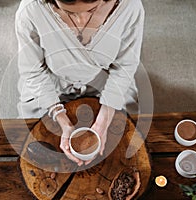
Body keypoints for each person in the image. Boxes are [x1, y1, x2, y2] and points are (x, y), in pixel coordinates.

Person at [15, 0, 144, 166]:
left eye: (92, 10)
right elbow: (32, 71)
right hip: (50, 81)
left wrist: (102, 122)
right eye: (69, 12)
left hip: (103, 79)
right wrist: (63, 121)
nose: (81, 19)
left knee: (128, 136)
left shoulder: (131, 6)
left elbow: (125, 65)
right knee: (31, 137)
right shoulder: (30, 10)